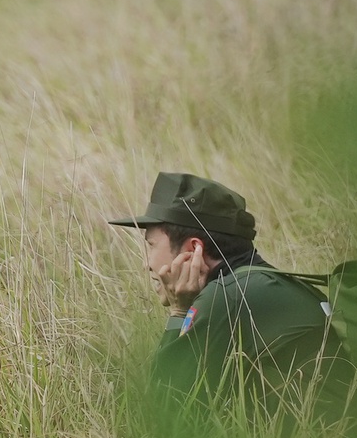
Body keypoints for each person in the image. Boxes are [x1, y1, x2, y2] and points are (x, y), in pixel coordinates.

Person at [109, 172, 339, 401]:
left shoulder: (227, 298)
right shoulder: (269, 283)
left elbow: (165, 407)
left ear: (193, 249)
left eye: (151, 245)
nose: (146, 264)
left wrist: (179, 312)